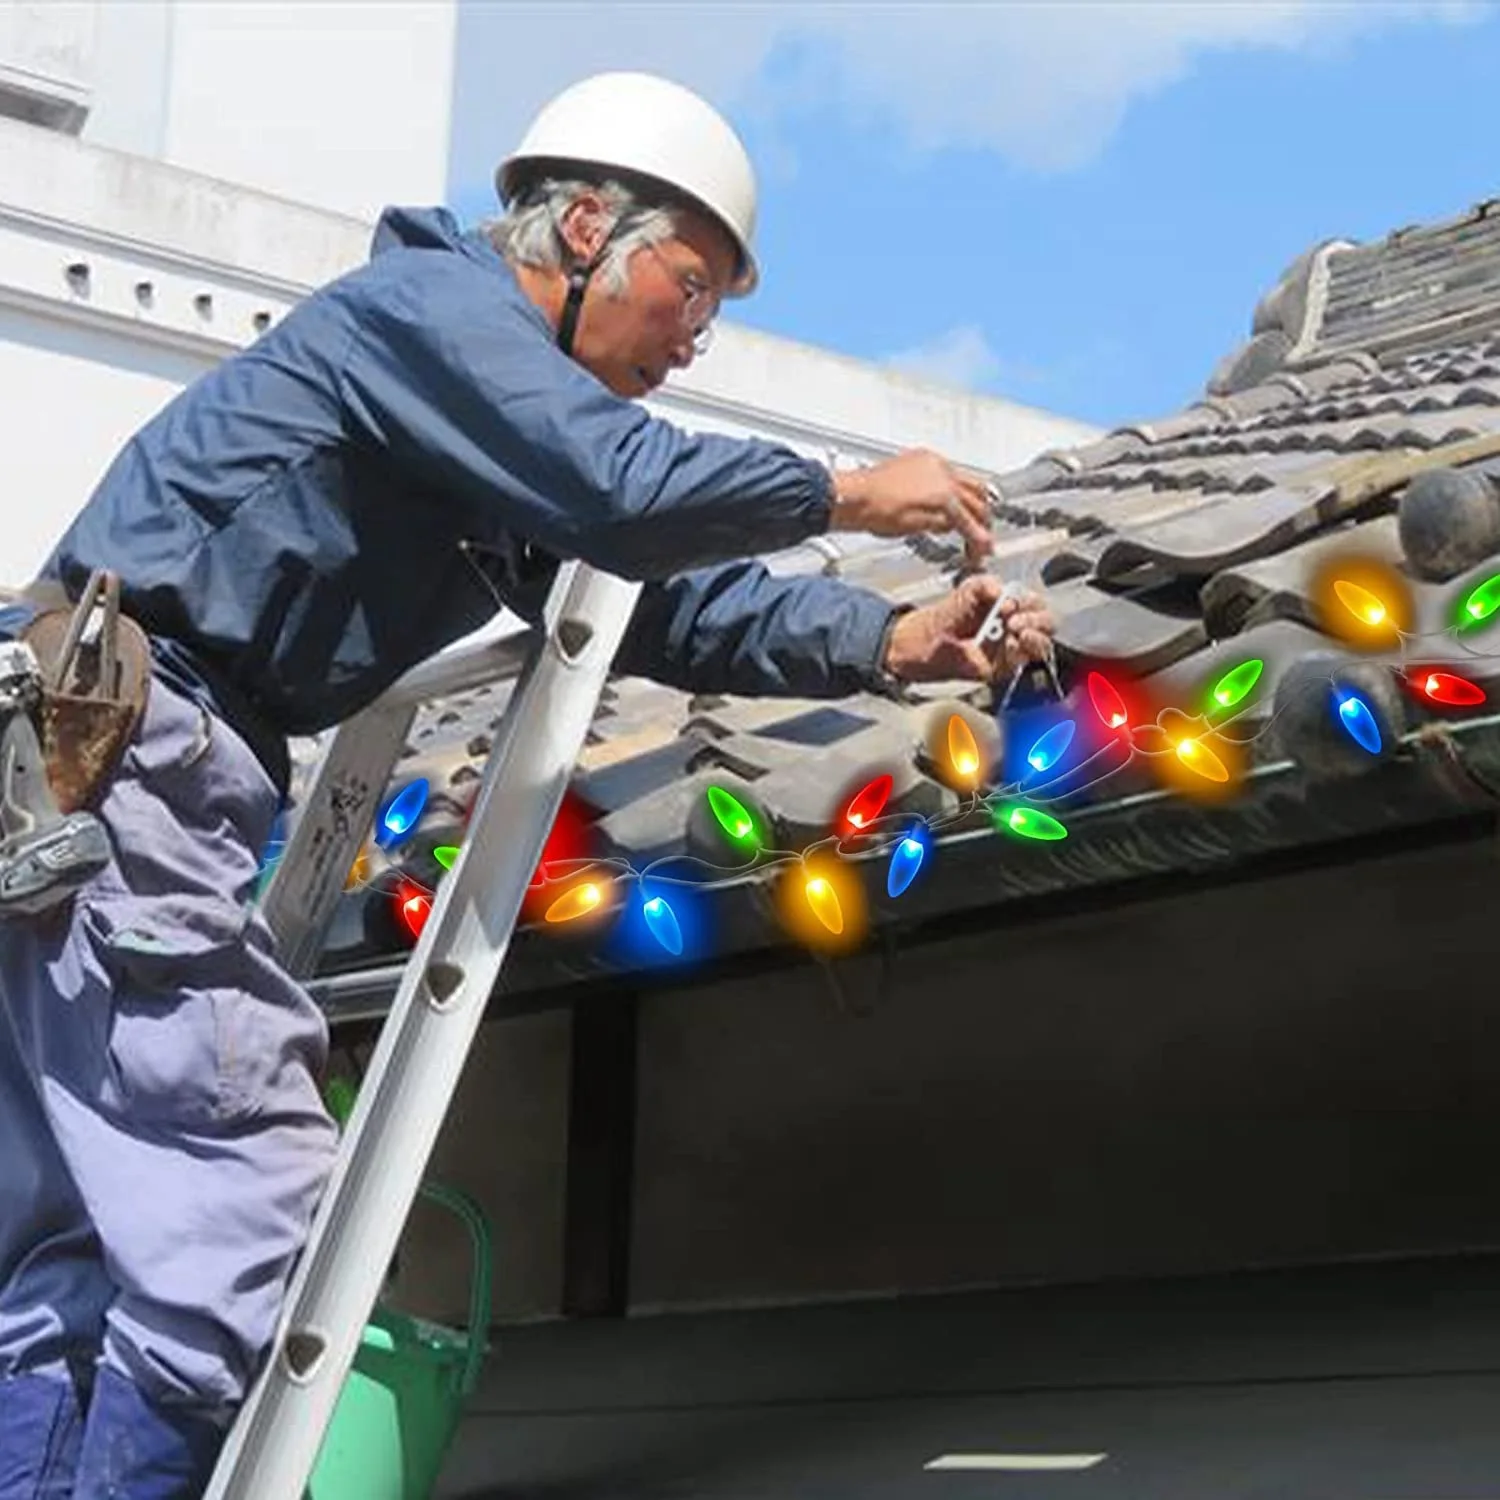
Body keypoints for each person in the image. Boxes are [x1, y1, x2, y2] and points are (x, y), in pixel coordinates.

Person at [0, 71, 1055, 1498]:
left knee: (76, 1253)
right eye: (688, 288)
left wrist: (888, 637)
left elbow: (659, 604)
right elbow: (620, 489)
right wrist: (853, 493)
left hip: (85, 770)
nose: (694, 340)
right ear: (576, 229)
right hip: (127, 755)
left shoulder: (481, 433)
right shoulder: (434, 321)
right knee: (240, 1225)